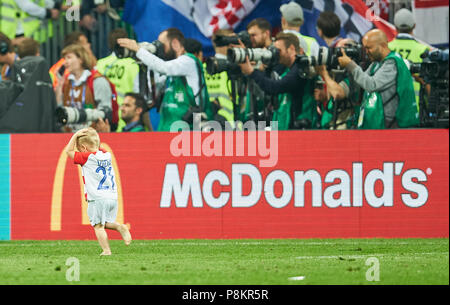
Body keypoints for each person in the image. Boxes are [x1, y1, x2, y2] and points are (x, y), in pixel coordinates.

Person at [117, 27, 211, 131]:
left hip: (188, 135)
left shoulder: (189, 61)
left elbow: (164, 68)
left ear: (175, 43)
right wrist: (143, 65)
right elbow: (148, 100)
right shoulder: (171, 72)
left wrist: (139, 50)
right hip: (167, 132)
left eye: (162, 45)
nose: (159, 49)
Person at [65, 127, 132, 256]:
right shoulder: (106, 154)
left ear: (83, 148)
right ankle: (119, 227)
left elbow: (68, 151)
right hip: (112, 196)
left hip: (97, 197)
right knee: (103, 222)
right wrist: (93, 136)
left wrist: (75, 135)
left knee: (98, 226)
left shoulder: (86, 157)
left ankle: (106, 250)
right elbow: (97, 146)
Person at [338, 29, 419, 129]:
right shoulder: (376, 63)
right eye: (365, 48)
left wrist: (350, 65)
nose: (366, 52)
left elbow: (371, 85)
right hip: (380, 122)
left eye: (369, 48)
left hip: (391, 126)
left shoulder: (392, 63)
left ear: (383, 45)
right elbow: (361, 83)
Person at [239, 32, 315, 130]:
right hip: (287, 125)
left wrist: (252, 72)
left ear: (291, 49)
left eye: (278, 51)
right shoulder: (288, 69)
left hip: (301, 127)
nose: (276, 54)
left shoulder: (301, 68)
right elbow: (267, 87)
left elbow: (276, 87)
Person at [55, 44, 113, 132]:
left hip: (92, 135)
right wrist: (59, 86)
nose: (65, 62)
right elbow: (59, 110)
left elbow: (106, 112)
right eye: (64, 58)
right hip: (70, 136)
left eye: (69, 57)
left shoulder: (97, 80)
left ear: (81, 59)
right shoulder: (66, 82)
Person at [96, 28, 140, 132]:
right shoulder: (133, 64)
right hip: (126, 115)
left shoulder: (100, 64)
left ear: (109, 43)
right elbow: (138, 93)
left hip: (104, 116)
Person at [388, 8, 431, 111]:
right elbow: (428, 85)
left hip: (390, 109)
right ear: (414, 26)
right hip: (415, 110)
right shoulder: (423, 50)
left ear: (395, 27)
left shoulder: (386, 49)